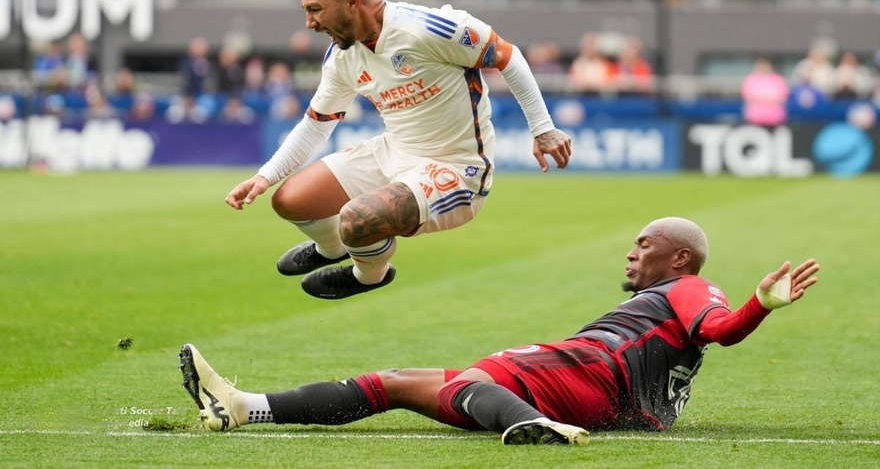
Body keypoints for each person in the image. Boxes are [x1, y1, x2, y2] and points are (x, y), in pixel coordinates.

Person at [179, 217, 820, 445]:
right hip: (604, 389)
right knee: (396, 383)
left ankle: (524, 423)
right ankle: (245, 408)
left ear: (679, 257)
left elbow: (722, 328)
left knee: (487, 374)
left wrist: (761, 303)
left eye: (643, 245)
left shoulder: (686, 286)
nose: (631, 254)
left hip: (597, 374)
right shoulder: (667, 293)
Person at [224, 0, 572, 300]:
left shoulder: (429, 28)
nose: (309, 24)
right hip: (394, 152)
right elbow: (316, 124)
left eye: (314, 9)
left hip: (456, 169)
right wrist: (264, 176)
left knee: (357, 220)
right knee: (289, 200)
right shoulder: (342, 55)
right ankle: (333, 249)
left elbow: (508, 57)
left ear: (352, 2)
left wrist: (543, 128)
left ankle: (368, 274)